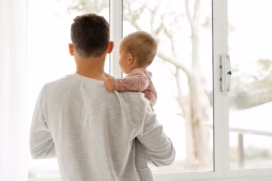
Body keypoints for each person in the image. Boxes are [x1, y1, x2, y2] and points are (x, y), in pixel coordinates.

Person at [29, 14, 175, 181]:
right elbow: (166, 156)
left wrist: (77, 143)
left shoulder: (50, 93)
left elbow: (38, 149)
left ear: (71, 49)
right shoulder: (134, 99)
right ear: (110, 47)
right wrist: (116, 145)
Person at [104, 31, 158, 181]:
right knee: (136, 162)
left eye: (120, 55)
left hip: (142, 124)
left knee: (140, 164)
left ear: (129, 58)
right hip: (138, 123)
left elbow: (140, 83)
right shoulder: (137, 74)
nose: (118, 59)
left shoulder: (140, 74)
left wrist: (116, 83)